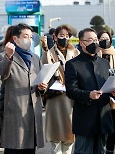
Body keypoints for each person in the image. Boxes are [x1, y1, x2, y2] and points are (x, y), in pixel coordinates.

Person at [65, 28, 115, 154]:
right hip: (85, 120)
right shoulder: (73, 64)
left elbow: (109, 84)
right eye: (90, 40)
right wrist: (88, 95)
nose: (94, 43)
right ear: (81, 43)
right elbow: (71, 90)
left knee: (101, 151)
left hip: (103, 119)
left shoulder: (104, 63)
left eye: (95, 40)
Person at [0, 23, 47, 154]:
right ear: (15, 38)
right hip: (15, 111)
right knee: (14, 148)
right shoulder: (5, 56)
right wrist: (8, 56)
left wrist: (42, 88)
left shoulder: (35, 58)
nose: (29, 40)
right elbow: (1, 75)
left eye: (31, 37)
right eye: (25, 36)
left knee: (30, 149)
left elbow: (40, 80)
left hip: (32, 112)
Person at [41, 25, 79, 154]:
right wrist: (45, 49)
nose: (65, 38)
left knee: (69, 135)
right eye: (61, 35)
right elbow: (46, 67)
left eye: (67, 36)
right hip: (55, 97)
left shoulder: (75, 52)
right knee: (56, 135)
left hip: (71, 97)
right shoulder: (49, 52)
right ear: (55, 37)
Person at [98, 30, 115, 154]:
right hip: (100, 96)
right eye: (102, 38)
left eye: (107, 38)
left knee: (112, 128)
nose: (105, 40)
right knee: (101, 128)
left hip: (114, 98)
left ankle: (110, 151)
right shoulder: (96, 55)